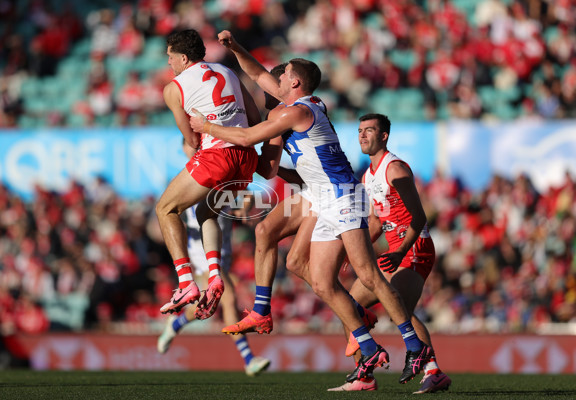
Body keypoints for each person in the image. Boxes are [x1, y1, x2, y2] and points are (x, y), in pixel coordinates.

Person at [190, 30, 432, 384]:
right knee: (318, 280)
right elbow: (258, 76)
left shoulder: (297, 112)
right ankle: (368, 349)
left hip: (341, 195)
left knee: (367, 275)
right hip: (320, 194)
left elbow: (245, 138)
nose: (277, 78)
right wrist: (235, 47)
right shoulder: (294, 105)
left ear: (296, 81)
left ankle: (414, 345)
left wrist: (206, 127)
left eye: (284, 74)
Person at [328, 114, 452, 393]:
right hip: (394, 250)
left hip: (414, 247)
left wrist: (400, 253)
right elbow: (375, 221)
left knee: (401, 311)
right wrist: (357, 247)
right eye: (360, 131)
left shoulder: (395, 169)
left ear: (383, 136)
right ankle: (365, 375)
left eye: (369, 131)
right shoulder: (368, 174)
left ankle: (433, 372)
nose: (362, 136)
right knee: (349, 308)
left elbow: (419, 217)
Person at [156, 29, 261, 320]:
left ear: (184, 57)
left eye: (170, 57)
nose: (168, 63)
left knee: (165, 209)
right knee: (207, 212)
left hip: (217, 155)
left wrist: (210, 131)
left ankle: (186, 283)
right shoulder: (227, 71)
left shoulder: (174, 88)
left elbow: (191, 141)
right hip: (245, 156)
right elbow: (255, 119)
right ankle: (215, 276)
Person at [156, 142, 270, 377]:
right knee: (228, 299)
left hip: (222, 255)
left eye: (197, 144)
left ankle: (175, 325)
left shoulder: (220, 173)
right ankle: (248, 359)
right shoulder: (186, 183)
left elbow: (244, 198)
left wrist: (243, 208)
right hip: (201, 258)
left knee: (209, 305)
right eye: (190, 146)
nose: (194, 148)